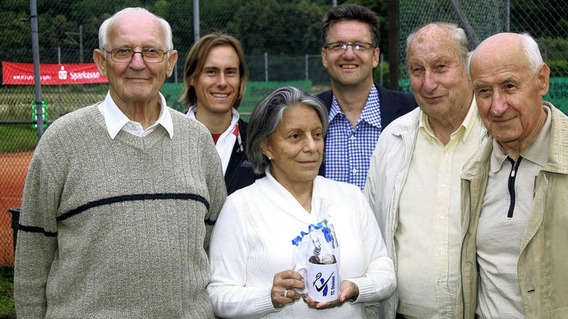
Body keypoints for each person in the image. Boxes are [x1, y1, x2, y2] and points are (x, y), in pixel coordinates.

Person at [13, 7, 227, 318]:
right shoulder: (61, 141)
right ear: (101, 61)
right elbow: (33, 256)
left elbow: (215, 245)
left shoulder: (197, 140)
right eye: (123, 51)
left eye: (151, 52)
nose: (137, 63)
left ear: (170, 63)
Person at [459, 32, 568, 318]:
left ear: (542, 80)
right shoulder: (475, 172)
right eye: (484, 91)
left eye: (509, 86)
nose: (497, 106)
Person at [207, 86, 396, 318]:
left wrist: (355, 288)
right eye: (296, 136)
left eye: (317, 134)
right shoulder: (241, 207)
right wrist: (269, 297)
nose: (311, 146)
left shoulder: (351, 197)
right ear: (266, 146)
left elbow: (385, 273)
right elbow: (218, 296)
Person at [364, 23, 487, 319]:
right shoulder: (393, 138)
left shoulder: (494, 135)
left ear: (468, 66)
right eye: (417, 70)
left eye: (440, 67)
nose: (428, 83)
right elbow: (370, 228)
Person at [318, 3, 417, 190]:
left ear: (375, 56)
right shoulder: (307, 113)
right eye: (338, 46)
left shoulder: (412, 111)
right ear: (325, 56)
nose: (348, 54)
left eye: (359, 46)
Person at [180, 32, 263, 194]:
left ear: (240, 80)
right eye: (211, 71)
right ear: (192, 78)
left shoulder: (260, 144)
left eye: (230, 72)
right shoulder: (168, 138)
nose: (222, 82)